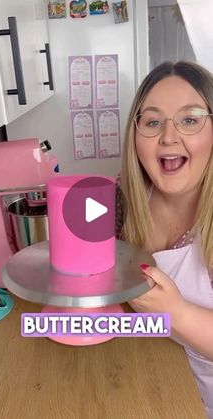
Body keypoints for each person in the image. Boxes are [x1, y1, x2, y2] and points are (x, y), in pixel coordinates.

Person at [115, 61, 213, 418]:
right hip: (156, 385)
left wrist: (177, 313)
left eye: (190, 119)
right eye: (153, 122)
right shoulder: (121, 205)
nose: (168, 137)